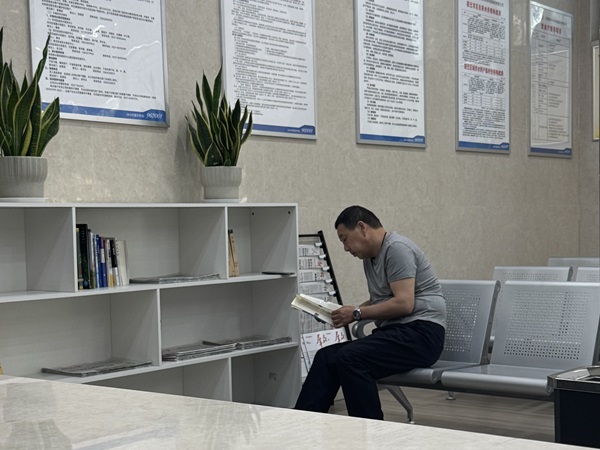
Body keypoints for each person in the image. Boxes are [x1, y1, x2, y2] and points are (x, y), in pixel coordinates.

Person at [294, 205, 446, 420]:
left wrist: (356, 313)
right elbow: (381, 300)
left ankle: (369, 430)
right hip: (397, 333)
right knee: (326, 357)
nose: (345, 248)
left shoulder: (397, 249)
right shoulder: (370, 257)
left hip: (422, 334)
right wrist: (344, 313)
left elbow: (404, 304)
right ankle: (302, 425)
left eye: (345, 239)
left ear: (362, 227)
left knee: (350, 358)